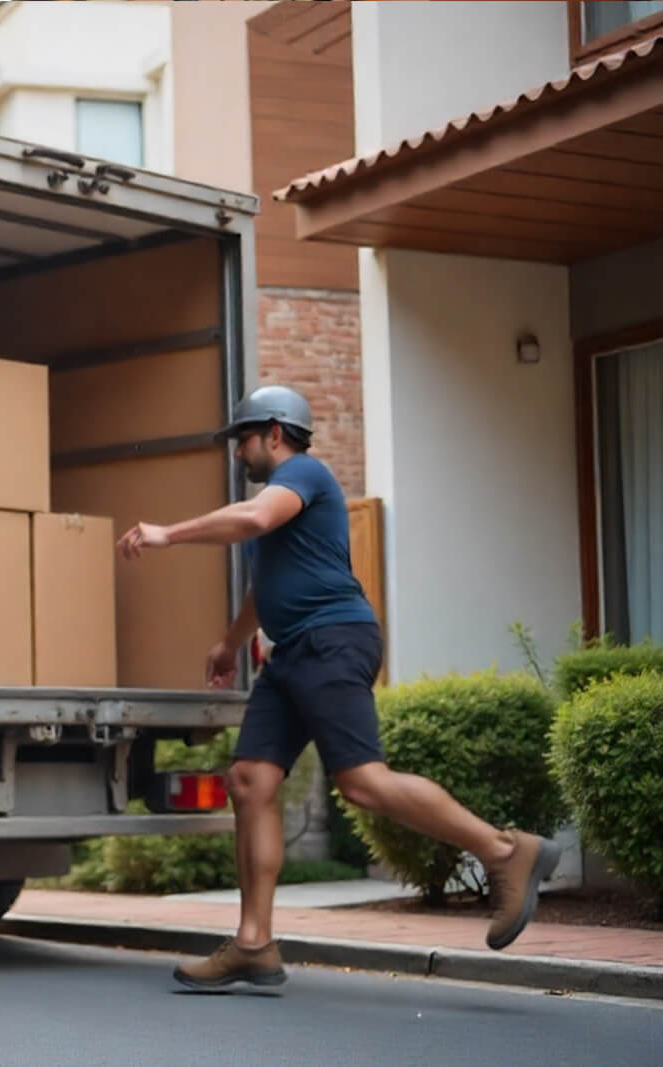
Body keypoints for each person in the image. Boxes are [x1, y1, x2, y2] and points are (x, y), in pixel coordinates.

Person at [116, 384, 560, 991]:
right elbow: (263, 580)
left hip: (333, 638)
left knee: (362, 783)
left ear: (274, 433)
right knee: (249, 781)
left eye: (242, 440)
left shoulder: (305, 474)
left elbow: (252, 518)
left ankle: (505, 850)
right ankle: (253, 944)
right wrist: (230, 640)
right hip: (291, 651)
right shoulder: (279, 502)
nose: (236, 454)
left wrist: (168, 533)